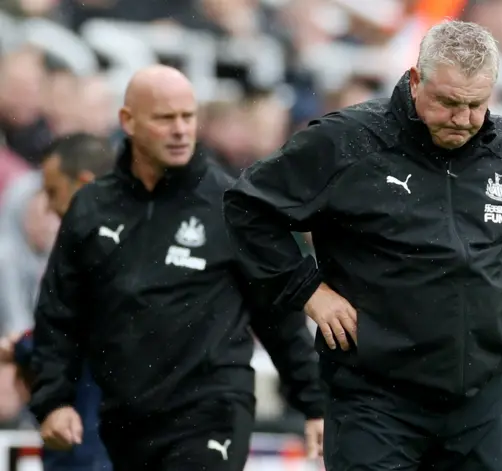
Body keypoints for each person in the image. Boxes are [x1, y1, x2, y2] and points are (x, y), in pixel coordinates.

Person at [223, 20, 502, 471]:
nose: (463, 119)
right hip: (374, 401)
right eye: (448, 102)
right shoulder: (348, 141)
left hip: (478, 402)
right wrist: (309, 292)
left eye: (476, 105)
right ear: (414, 80)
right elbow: (247, 209)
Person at [29, 65, 324, 471]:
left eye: (188, 116)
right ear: (128, 122)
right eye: (165, 118)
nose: (181, 129)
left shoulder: (230, 205)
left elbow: (277, 314)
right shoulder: (91, 208)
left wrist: (315, 402)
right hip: (126, 418)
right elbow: (59, 313)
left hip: (211, 412)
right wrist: (54, 401)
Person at [0, 132, 115, 471]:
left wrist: (21, 347)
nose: (49, 207)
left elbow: (84, 335)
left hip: (89, 439)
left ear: (83, 184)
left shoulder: (101, 253)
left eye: (53, 192)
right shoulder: (113, 245)